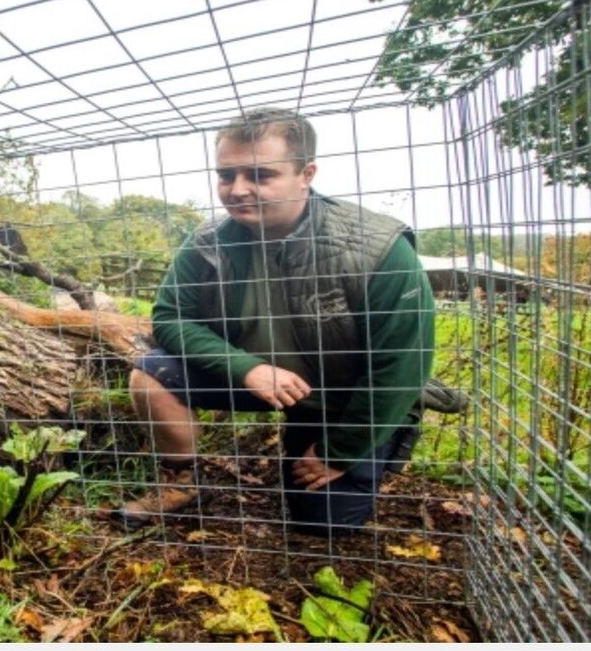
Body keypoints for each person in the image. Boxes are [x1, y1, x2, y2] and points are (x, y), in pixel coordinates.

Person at [114, 107, 436, 536]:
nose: (237, 190)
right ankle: (180, 485)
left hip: (340, 401)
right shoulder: (207, 243)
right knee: (151, 374)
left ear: (307, 173)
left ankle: (363, 448)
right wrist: (247, 369)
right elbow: (170, 319)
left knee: (322, 525)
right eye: (226, 175)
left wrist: (337, 453)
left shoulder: (379, 248)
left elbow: (401, 366)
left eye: (260, 175)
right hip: (260, 380)